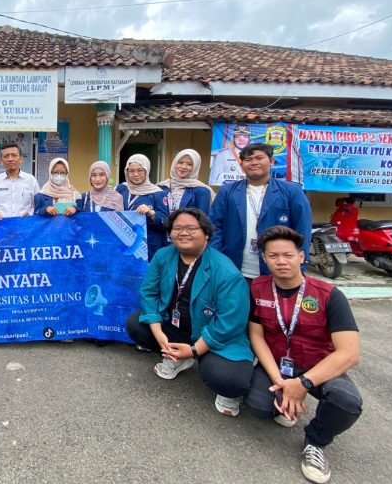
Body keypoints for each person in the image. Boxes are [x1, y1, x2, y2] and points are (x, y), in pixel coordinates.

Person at [246, 226, 362, 484]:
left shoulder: (329, 295)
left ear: (301, 256)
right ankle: (285, 403)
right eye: (273, 256)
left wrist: (302, 384)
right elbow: (256, 336)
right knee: (257, 406)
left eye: (288, 255)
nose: (281, 261)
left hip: (318, 367)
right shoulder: (258, 288)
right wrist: (279, 380)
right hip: (277, 366)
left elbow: (349, 353)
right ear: (264, 259)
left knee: (346, 401)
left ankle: (315, 442)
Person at [126, 208, 254, 417]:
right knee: (136, 325)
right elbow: (149, 293)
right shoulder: (163, 256)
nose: (183, 233)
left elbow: (230, 322)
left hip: (213, 335)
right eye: (177, 228)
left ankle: (219, 380)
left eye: (191, 228)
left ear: (206, 234)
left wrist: (195, 351)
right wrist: (159, 335)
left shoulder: (225, 271)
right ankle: (178, 358)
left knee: (229, 380)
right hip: (175, 326)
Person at [210, 143, 312, 282]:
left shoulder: (291, 191)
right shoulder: (227, 192)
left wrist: (299, 264)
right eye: (248, 159)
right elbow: (215, 227)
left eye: (259, 158)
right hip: (234, 269)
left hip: (278, 270)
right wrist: (217, 259)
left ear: (271, 161)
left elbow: (303, 229)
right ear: (241, 165)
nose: (254, 162)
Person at [116, 154, 167, 260]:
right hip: (122, 243)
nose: (135, 174)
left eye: (140, 170)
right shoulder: (121, 189)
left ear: (147, 171)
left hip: (148, 249)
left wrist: (151, 213)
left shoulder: (157, 193)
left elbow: (165, 223)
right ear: (126, 172)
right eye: (131, 171)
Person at [0, 143, 40, 218]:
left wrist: (30, 213)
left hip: (24, 226)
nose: (10, 159)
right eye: (6, 156)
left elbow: (38, 205)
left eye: (14, 155)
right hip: (0, 226)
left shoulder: (31, 180)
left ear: (21, 159)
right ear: (1, 160)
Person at [158, 149, 215, 216]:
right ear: (174, 163)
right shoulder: (162, 187)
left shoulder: (202, 191)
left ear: (195, 167)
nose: (183, 167)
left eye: (189, 164)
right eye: (180, 162)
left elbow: (202, 220)